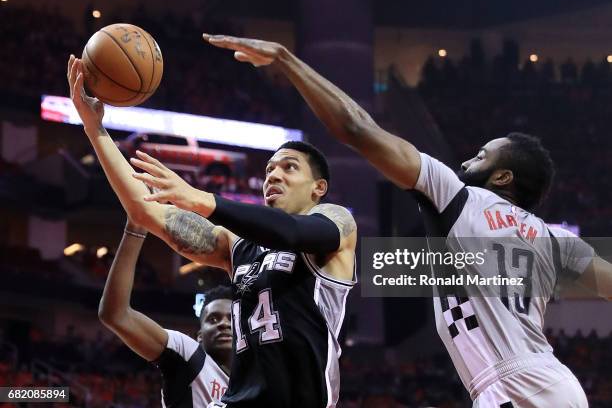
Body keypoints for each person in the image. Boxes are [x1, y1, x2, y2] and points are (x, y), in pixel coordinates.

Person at [202, 34, 612, 407]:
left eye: (482, 156)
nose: (467, 159)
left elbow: (356, 128)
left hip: (512, 385)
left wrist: (287, 59)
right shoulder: (557, 239)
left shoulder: (458, 196)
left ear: (503, 177)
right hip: (553, 381)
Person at [67, 55, 357, 408]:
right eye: (268, 169)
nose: (273, 175)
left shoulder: (337, 222)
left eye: (289, 167)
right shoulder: (237, 249)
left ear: (318, 188)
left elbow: (293, 234)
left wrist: (203, 200)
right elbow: (146, 210)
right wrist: (94, 129)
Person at [98, 217, 232, 406]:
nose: (224, 324)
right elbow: (116, 315)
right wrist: (136, 227)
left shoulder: (255, 383)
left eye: (231, 318)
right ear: (200, 336)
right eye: (214, 319)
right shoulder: (189, 353)